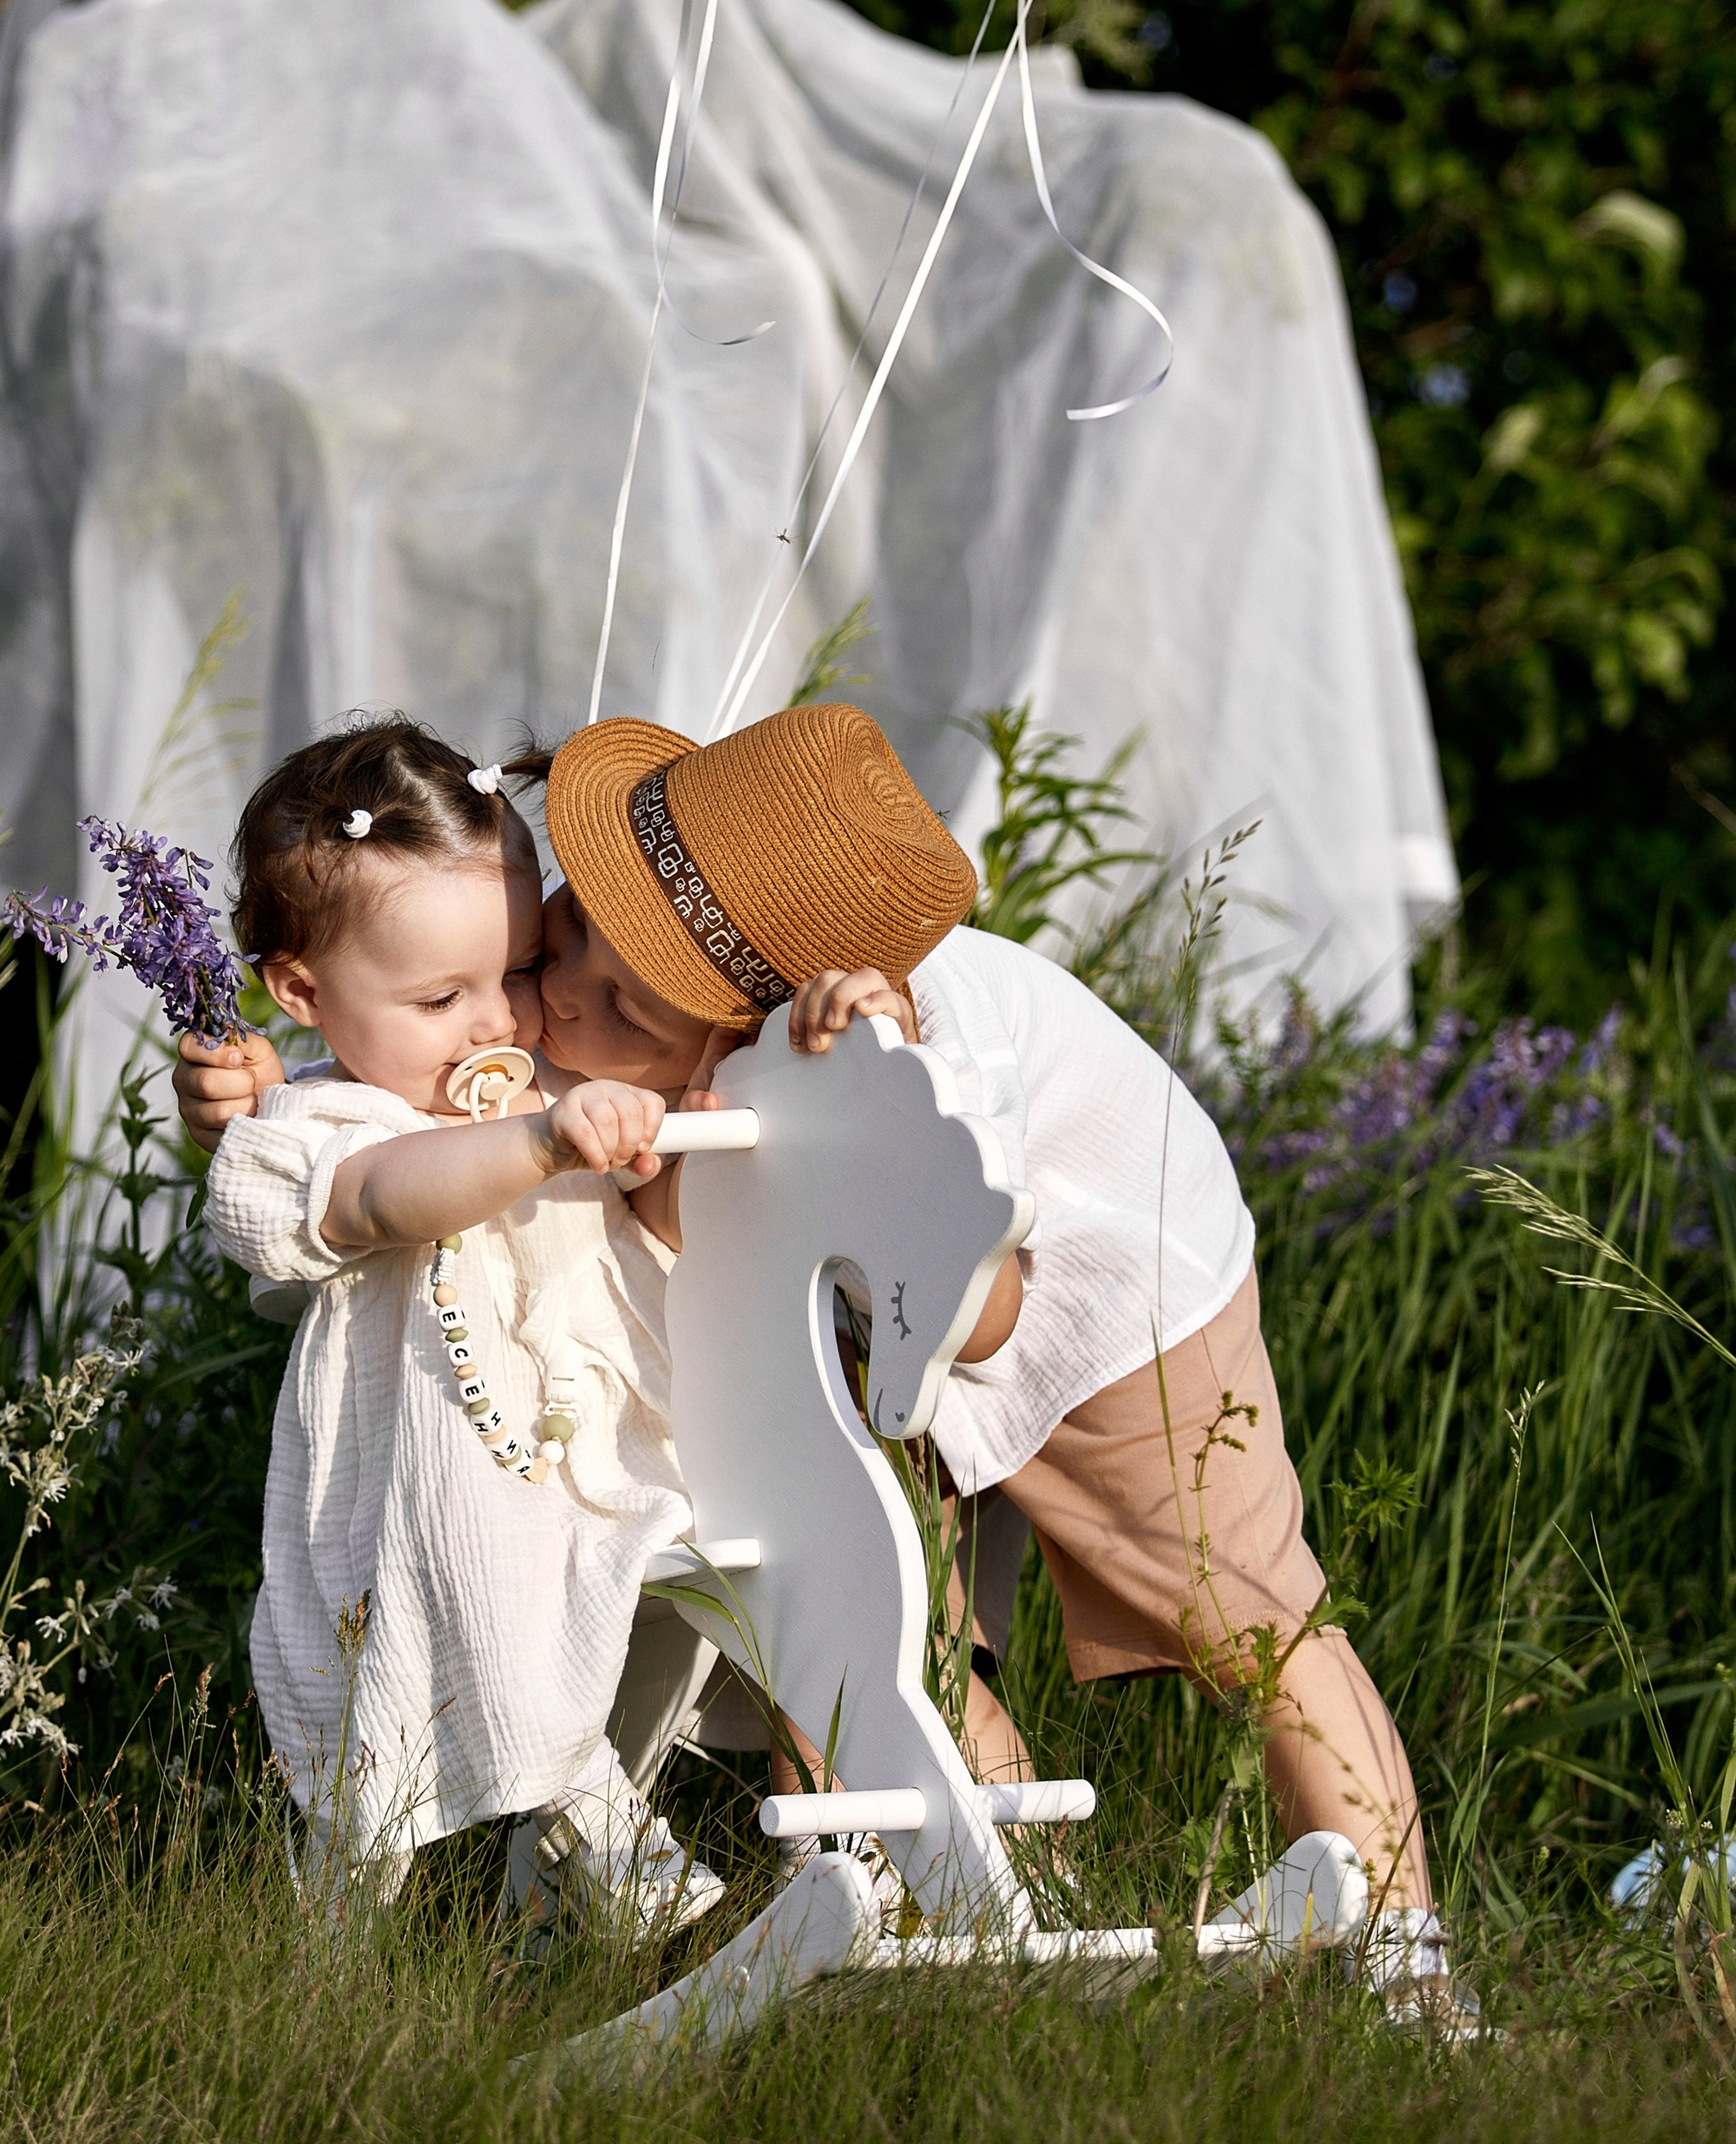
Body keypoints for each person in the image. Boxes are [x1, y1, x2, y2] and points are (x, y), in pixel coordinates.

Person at [183, 699, 1457, 2012]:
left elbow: (989, 1317)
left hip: (1090, 1285)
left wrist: (864, 1060)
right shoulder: (593, 1019)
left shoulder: (891, 1049)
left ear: (741, 1025)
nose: (549, 1007)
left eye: (616, 1002)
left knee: (1233, 1600)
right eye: (560, 938)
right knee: (880, 1609)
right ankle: (981, 1906)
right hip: (850, 1298)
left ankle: (1408, 1945)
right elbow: (386, 1142)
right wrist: (260, 1094)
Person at [200, 714, 720, 1937]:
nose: (497, 1022)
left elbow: (672, 1210)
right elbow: (387, 1200)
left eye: (519, 969)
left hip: (600, 1437)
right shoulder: (324, 1128)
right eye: (443, 996)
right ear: (302, 992)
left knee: (585, 1589)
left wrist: (631, 1126)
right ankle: (601, 1840)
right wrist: (537, 1143)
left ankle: (561, 1887)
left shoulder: (559, 1085)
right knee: (461, 1589)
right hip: (430, 1474)